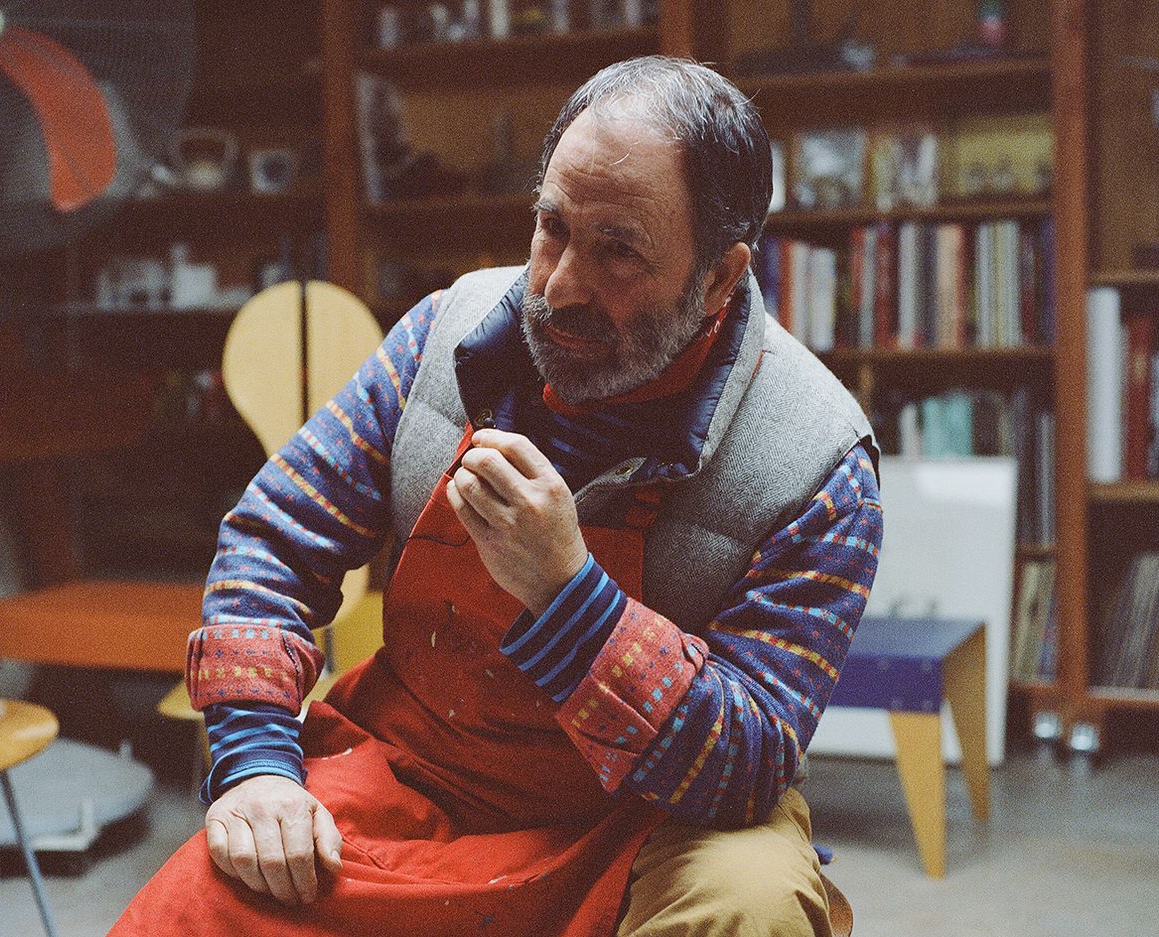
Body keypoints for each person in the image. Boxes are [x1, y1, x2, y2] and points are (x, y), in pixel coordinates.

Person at [112, 55, 882, 937]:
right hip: (413, 766)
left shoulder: (816, 464)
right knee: (195, 905)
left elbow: (746, 763)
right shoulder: (442, 340)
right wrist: (253, 763)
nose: (557, 288)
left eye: (618, 250)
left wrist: (571, 598)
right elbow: (273, 538)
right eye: (552, 227)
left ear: (717, 277)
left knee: (752, 906)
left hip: (643, 819)